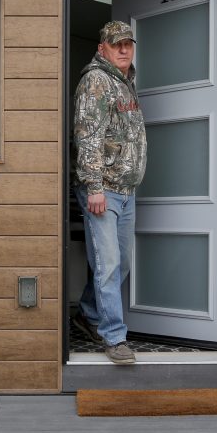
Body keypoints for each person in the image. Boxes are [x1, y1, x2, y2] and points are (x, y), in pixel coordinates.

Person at [71, 20, 147, 365]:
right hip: (103, 192)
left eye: (127, 44)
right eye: (116, 45)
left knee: (119, 263)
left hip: (125, 191)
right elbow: (88, 138)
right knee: (109, 265)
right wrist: (94, 188)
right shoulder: (97, 82)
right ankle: (114, 337)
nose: (123, 50)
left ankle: (87, 312)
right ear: (102, 48)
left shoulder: (125, 81)